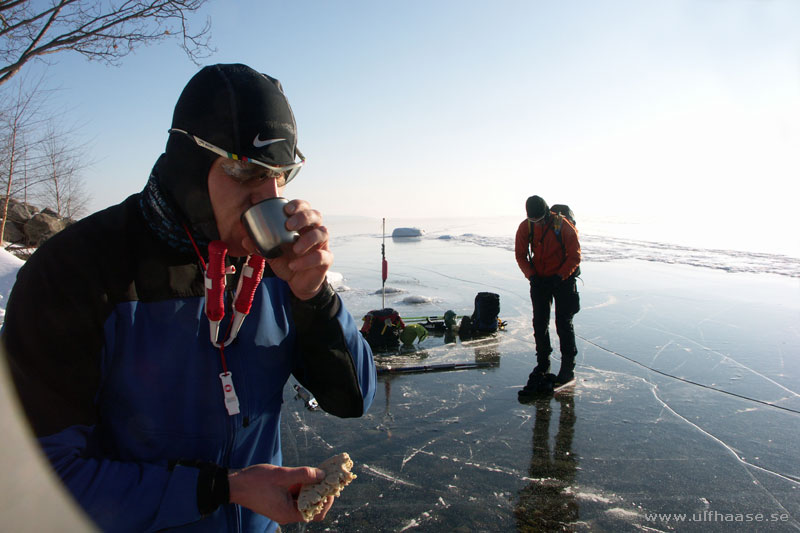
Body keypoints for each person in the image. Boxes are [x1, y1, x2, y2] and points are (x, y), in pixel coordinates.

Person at [1, 63, 377, 532]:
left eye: (283, 174)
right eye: (245, 169)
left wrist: (314, 299)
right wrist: (224, 489)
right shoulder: (77, 272)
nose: (271, 197)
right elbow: (34, 482)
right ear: (189, 167)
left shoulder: (277, 267)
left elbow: (354, 398)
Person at [514, 195, 581, 398]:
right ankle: (543, 363)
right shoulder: (526, 227)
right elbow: (520, 255)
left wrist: (560, 276)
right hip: (540, 280)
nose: (537, 223)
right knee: (539, 322)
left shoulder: (563, 225)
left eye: (540, 219)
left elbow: (575, 256)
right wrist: (532, 276)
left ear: (547, 214)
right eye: (533, 220)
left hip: (563, 279)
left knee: (563, 322)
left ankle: (568, 367)